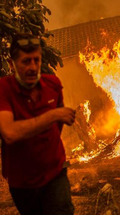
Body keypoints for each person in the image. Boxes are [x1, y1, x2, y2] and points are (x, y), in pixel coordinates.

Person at [0, 33, 76, 214]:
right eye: (26, 61)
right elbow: (9, 132)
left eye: (37, 60)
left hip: (55, 174)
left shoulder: (53, 85)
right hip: (22, 184)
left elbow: (58, 128)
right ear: (12, 64)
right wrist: (53, 115)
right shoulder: (3, 89)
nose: (33, 67)